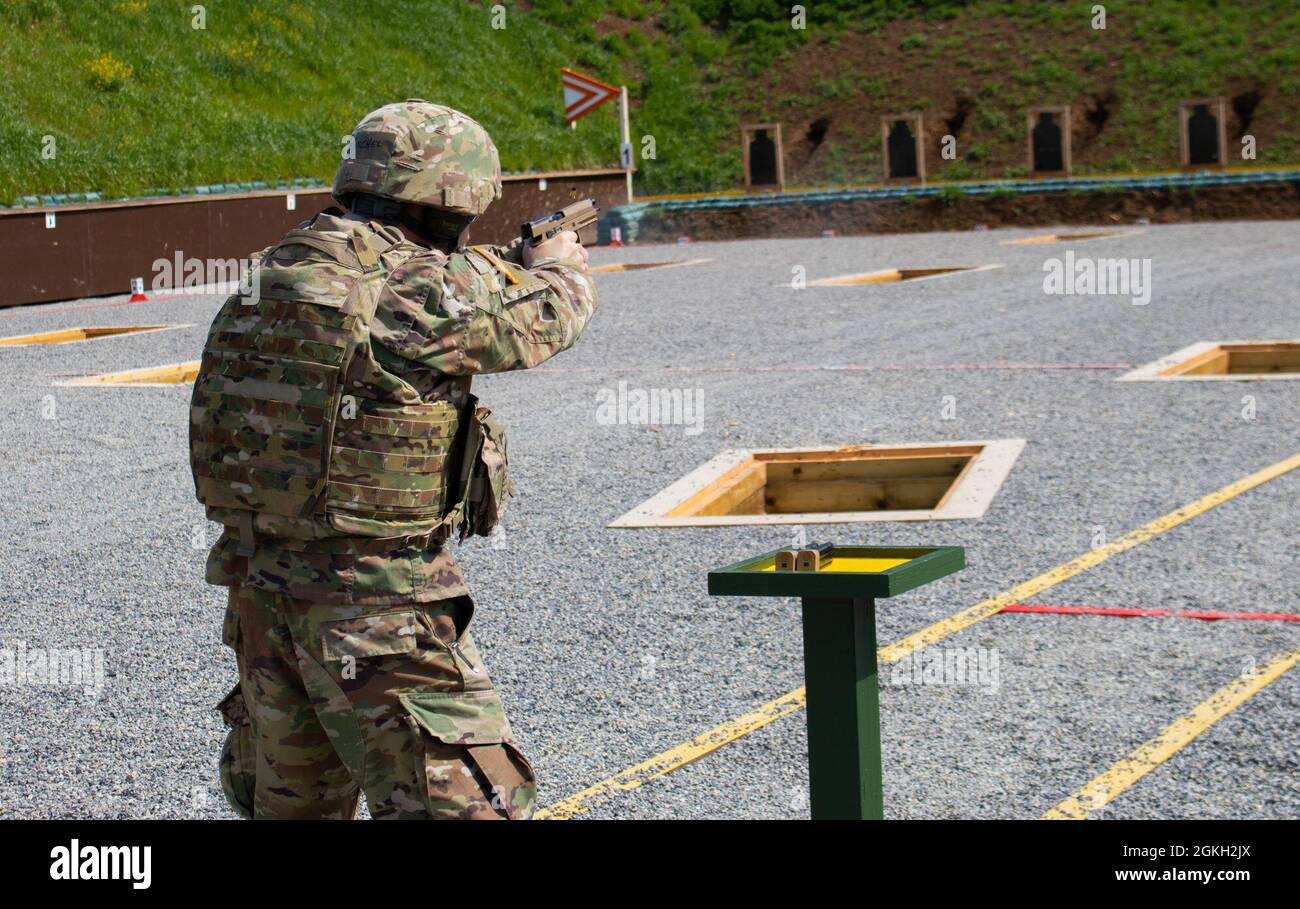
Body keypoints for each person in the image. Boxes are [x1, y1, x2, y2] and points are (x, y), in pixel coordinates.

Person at [189, 99, 598, 819]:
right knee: (476, 805)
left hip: (265, 598)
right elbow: (550, 314)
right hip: (377, 610)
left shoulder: (278, 268)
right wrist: (560, 266)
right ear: (448, 198)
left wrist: (497, 265)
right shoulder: (417, 288)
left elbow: (412, 302)